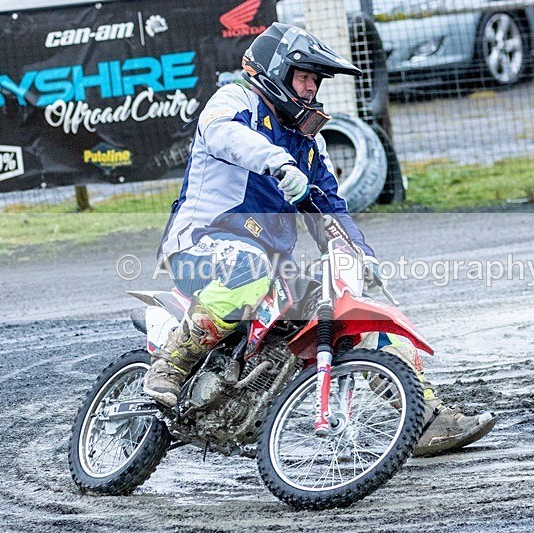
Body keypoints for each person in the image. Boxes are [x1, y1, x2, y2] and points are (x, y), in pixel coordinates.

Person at [143, 22, 496, 456]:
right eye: (304, 77)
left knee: (351, 307)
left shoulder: (310, 144)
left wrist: (362, 260)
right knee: (250, 270)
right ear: (277, 70)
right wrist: (276, 163)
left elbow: (331, 210)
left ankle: (423, 417)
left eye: (316, 80)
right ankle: (171, 365)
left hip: (269, 267)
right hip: (199, 246)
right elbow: (223, 135)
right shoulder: (236, 101)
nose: (311, 89)